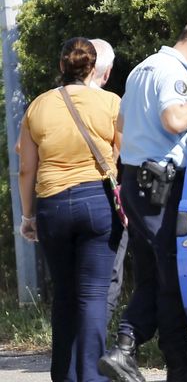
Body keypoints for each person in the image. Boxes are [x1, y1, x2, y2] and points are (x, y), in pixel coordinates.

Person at [98, 15, 187, 382]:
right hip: (160, 186)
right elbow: (175, 120)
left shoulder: (142, 69)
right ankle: (133, 349)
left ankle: (168, 362)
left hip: (138, 183)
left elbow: (123, 127)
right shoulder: (173, 73)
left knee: (153, 277)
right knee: (173, 274)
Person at [18, 37, 121, 382]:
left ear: (61, 66)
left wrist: (28, 216)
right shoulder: (110, 103)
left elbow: (26, 169)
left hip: (53, 205)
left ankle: (63, 375)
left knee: (64, 293)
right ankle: (92, 375)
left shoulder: (37, 107)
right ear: (93, 69)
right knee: (93, 295)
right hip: (98, 203)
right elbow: (122, 157)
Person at [89, 37, 128, 325]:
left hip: (58, 197)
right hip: (104, 195)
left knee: (74, 280)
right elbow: (122, 149)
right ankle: (96, 346)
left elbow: (24, 154)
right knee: (109, 273)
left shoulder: (48, 100)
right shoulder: (112, 102)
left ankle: (73, 351)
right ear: (106, 72)